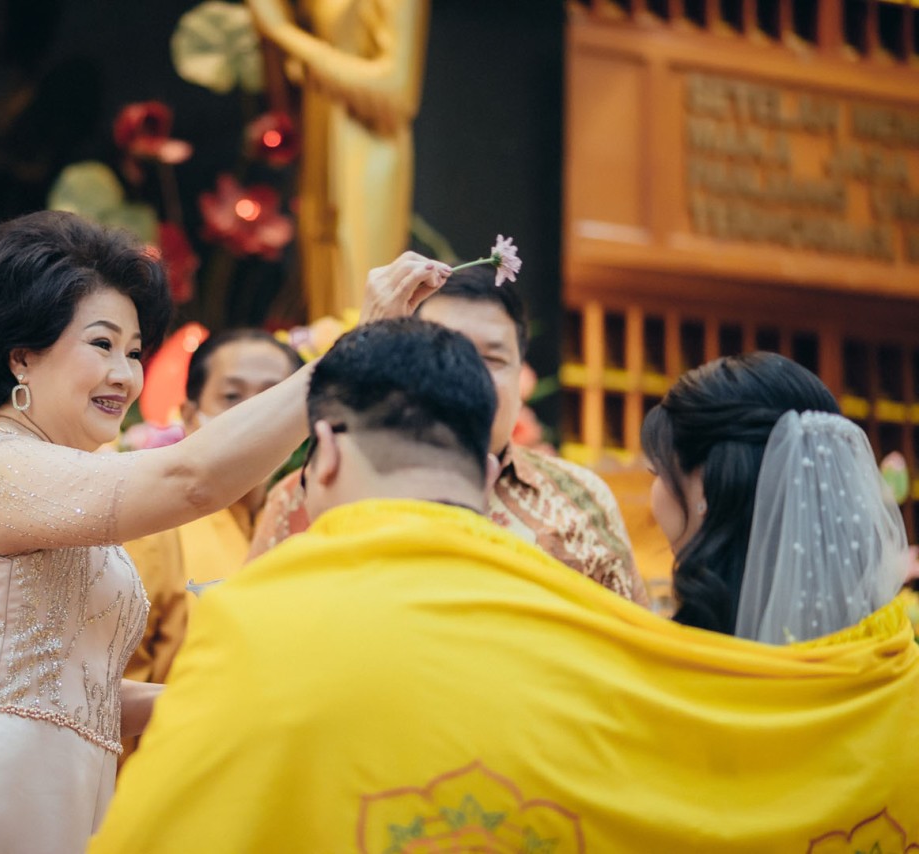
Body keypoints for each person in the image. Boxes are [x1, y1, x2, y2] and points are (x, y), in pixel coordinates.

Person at [91, 327, 919, 854]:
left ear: (326, 457)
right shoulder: (592, 624)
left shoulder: (265, 609)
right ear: (490, 479)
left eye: (658, 477)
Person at [0, 212, 450, 853]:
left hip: (49, 793)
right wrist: (349, 356)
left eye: (134, 352)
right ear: (21, 356)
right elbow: (192, 479)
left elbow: (66, 691)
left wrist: (229, 694)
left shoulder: (54, 481)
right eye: (102, 345)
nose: (125, 375)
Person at [250, 264, 650, 606]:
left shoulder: (580, 500)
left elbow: (627, 646)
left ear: (521, 375)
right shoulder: (300, 495)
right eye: (445, 350)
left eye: (492, 358)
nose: (468, 374)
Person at [642, 352, 909, 642]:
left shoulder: (676, 660)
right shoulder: (886, 651)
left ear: (704, 486)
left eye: (657, 472)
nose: (654, 493)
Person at [123, 329, 303, 693]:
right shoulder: (151, 529)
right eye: (232, 396)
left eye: (273, 397)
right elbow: (110, 690)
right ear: (190, 415)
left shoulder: (311, 519)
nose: (255, 416)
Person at [245, 0, 429, 318]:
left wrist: (284, 32)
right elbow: (285, 98)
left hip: (365, 148)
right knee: (323, 303)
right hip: (319, 148)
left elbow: (397, 94)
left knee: (361, 295)